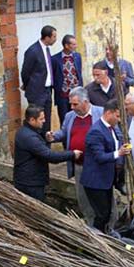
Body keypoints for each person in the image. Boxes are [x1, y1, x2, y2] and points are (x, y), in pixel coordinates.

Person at [47, 87, 102, 224]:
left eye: (75, 104)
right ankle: (90, 223)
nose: (72, 107)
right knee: (83, 197)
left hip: (98, 166)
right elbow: (64, 132)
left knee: (102, 196)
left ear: (85, 102)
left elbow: (114, 134)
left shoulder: (100, 113)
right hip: (79, 165)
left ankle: (108, 224)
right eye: (71, 104)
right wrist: (54, 136)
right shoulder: (70, 116)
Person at [80, 99, 131, 232]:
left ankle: (103, 236)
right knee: (102, 214)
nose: (119, 120)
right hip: (95, 182)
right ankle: (98, 240)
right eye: (117, 116)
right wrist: (118, 153)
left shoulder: (110, 128)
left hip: (106, 180)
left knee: (107, 213)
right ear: (109, 113)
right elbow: (100, 157)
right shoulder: (96, 131)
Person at [13, 105, 79, 201]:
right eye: (41, 119)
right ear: (32, 120)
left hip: (28, 179)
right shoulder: (29, 137)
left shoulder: (27, 131)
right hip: (30, 183)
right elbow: (49, 156)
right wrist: (72, 154)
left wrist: (45, 138)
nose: (44, 121)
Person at [20, 25, 57, 133]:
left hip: (47, 90)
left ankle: (46, 146)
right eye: (54, 36)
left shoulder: (46, 49)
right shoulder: (33, 51)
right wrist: (29, 86)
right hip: (36, 92)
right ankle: (36, 146)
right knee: (36, 122)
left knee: (46, 121)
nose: (55, 39)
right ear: (47, 37)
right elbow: (25, 72)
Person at [51, 34, 83, 124]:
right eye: (73, 44)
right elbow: (53, 77)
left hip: (76, 94)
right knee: (64, 120)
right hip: (63, 96)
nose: (75, 46)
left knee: (78, 118)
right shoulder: (55, 59)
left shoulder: (77, 56)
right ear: (66, 45)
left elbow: (79, 73)